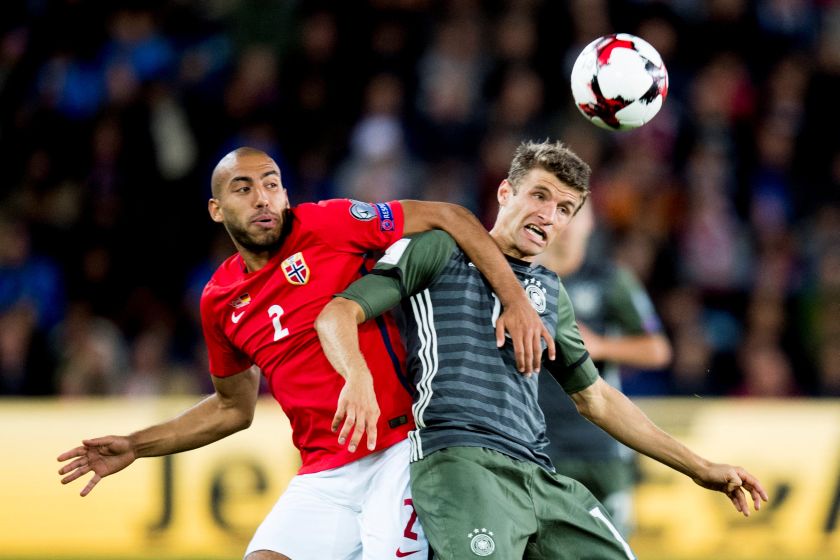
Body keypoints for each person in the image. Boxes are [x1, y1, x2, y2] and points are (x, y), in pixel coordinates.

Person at [56, 147, 555, 560]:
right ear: (216, 209)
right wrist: (137, 445)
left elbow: (451, 217)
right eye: (243, 188)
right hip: (325, 473)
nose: (262, 199)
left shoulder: (330, 224)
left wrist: (514, 300)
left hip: (403, 449)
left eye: (272, 184)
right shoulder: (218, 301)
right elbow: (234, 408)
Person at [315, 140, 768, 559]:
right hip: (462, 463)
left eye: (566, 208)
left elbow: (597, 398)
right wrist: (357, 377)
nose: (551, 216)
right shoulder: (438, 248)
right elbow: (337, 313)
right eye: (540, 196)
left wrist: (699, 467)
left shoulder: (550, 292)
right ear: (505, 192)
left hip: (541, 476)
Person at [534, 201, 673, 537]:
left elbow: (658, 349)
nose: (566, 225)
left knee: (612, 545)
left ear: (591, 223)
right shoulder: (518, 280)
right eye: (559, 214)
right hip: (536, 442)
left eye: (575, 214)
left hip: (600, 444)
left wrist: (601, 345)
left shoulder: (610, 280)